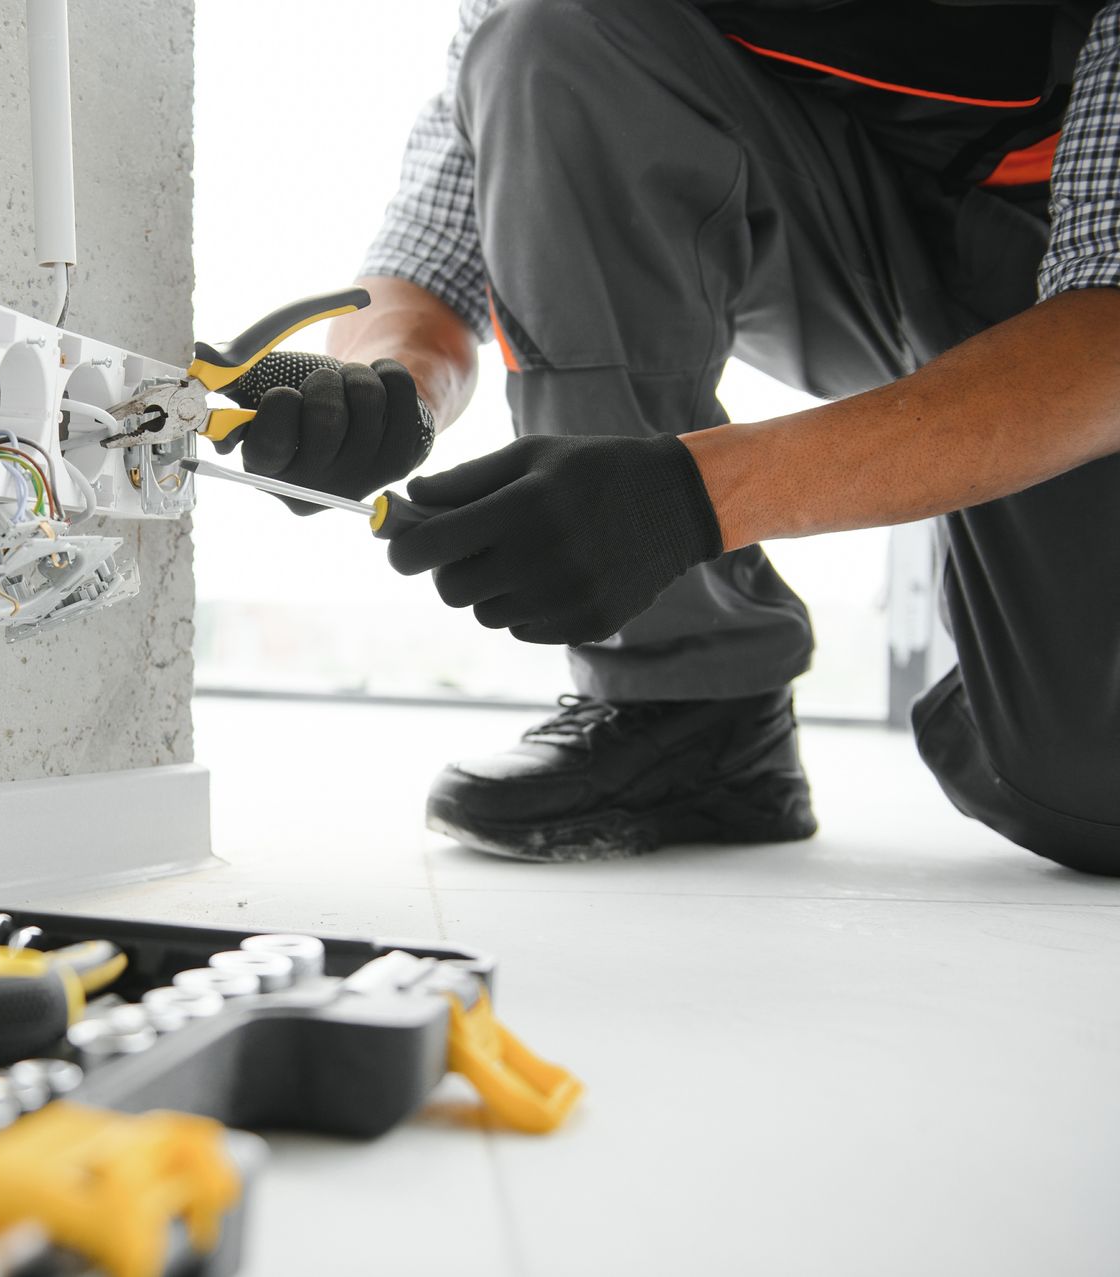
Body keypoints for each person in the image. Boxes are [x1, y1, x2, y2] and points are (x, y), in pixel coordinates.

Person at [214, 0, 1120, 875]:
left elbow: (1111, 326)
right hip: (846, 243)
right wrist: (384, 390)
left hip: (1060, 287)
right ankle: (687, 703)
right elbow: (434, 251)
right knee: (550, 40)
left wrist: (686, 497)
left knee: (1084, 778)